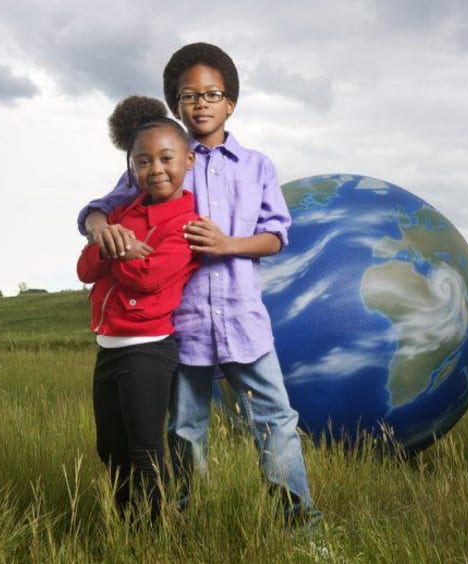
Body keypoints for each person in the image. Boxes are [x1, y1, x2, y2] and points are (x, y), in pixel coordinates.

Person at [77, 43, 320, 525]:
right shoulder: (163, 155)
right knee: (186, 430)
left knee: (277, 423)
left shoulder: (256, 166)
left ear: (230, 102)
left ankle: (300, 528)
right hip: (181, 325)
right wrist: (104, 231)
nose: (201, 103)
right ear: (176, 103)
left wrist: (229, 244)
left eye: (213, 93)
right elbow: (96, 209)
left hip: (243, 319)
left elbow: (276, 237)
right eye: (189, 96)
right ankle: (187, 526)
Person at [76, 95, 200, 520]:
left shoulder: (187, 223)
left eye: (166, 158)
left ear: (188, 162)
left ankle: (163, 532)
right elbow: (85, 268)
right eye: (143, 162)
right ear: (132, 169)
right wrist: (117, 244)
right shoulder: (124, 212)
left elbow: (148, 278)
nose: (155, 169)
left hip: (148, 349)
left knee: (145, 450)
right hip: (108, 350)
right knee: (109, 447)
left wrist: (117, 249)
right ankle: (130, 528)